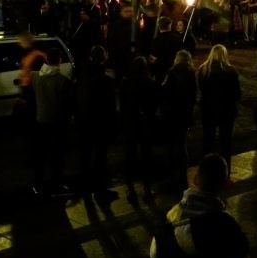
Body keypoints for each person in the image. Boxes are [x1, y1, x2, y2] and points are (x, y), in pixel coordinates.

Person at [149, 153, 250, 258]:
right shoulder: (226, 224)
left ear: (196, 179)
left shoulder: (170, 216)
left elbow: (154, 257)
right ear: (226, 185)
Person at [75, 45, 118, 202]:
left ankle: (83, 187)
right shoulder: (104, 80)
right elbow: (110, 107)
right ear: (103, 58)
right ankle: (101, 190)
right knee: (100, 157)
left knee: (85, 156)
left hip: (84, 121)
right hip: (100, 123)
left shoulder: (83, 76)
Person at [31, 48, 76, 196]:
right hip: (57, 122)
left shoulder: (36, 78)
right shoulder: (63, 81)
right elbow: (68, 105)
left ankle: (38, 184)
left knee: (40, 154)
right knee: (57, 155)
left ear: (46, 61)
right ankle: (56, 183)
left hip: (41, 121)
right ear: (59, 62)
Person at [120, 56, 161, 203]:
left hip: (131, 124)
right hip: (146, 124)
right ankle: (147, 188)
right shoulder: (152, 84)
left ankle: (130, 188)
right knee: (146, 157)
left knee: (130, 156)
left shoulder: (126, 83)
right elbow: (157, 103)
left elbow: (122, 105)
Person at [197, 45, 242, 169]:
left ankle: (206, 169)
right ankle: (225, 170)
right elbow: (237, 93)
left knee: (208, 140)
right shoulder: (231, 71)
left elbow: (201, 89)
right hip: (227, 110)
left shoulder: (203, 70)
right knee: (225, 142)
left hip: (208, 109)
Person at [161, 50, 198, 193]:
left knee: (169, 144)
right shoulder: (191, 74)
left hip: (171, 114)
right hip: (183, 115)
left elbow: (164, 92)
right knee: (181, 145)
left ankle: (170, 172)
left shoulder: (171, 73)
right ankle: (182, 173)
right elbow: (193, 96)